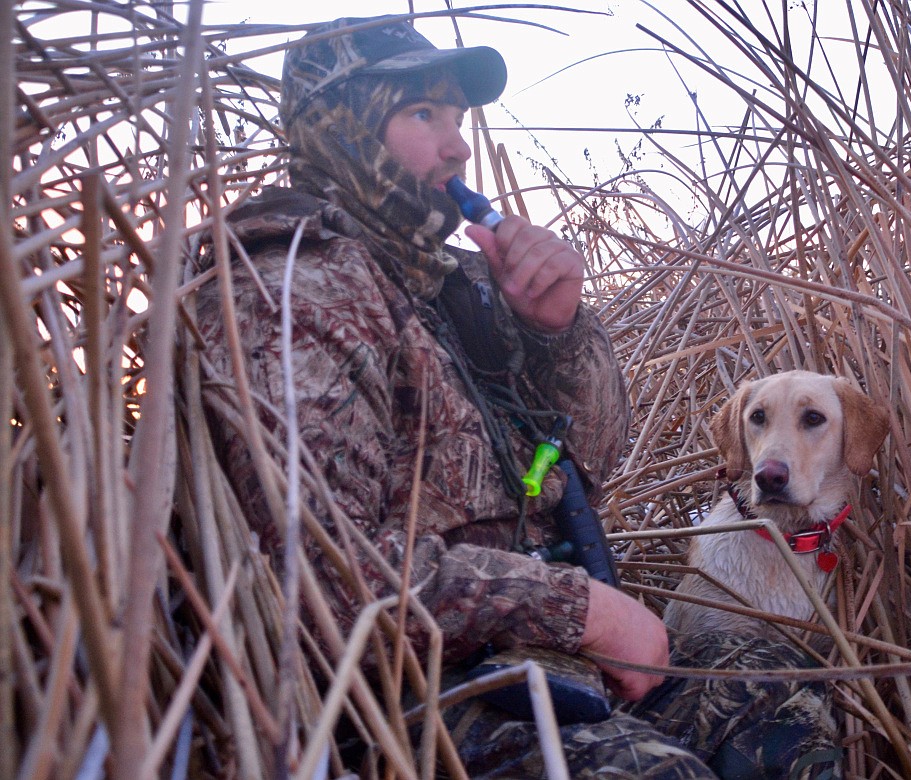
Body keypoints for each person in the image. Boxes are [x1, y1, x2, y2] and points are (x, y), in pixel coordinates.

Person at [196, 14, 839, 779]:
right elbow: (316, 581)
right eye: (422, 113)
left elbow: (592, 459)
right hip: (388, 698)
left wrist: (555, 330)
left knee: (773, 692)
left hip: (527, 658)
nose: (457, 144)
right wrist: (579, 610)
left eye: (458, 116)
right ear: (344, 125)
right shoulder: (294, 287)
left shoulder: (450, 286)